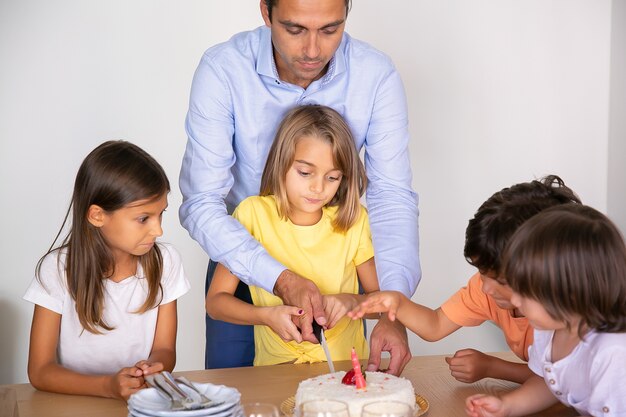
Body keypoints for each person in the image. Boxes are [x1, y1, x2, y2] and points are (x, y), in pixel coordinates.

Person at [179, 0, 419, 374]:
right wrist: (279, 279)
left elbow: (392, 196)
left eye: (329, 30)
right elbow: (201, 203)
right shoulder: (223, 69)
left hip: (336, 274)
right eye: (294, 29)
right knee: (234, 397)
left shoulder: (376, 74)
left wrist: (393, 309)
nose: (312, 51)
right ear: (265, 12)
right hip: (240, 256)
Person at [349, 176, 581, 383]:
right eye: (482, 272)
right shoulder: (486, 288)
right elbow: (435, 325)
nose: (487, 288)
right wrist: (396, 303)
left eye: (500, 280)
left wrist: (493, 367)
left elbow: (561, 385)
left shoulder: (571, 313)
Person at [205, 105, 378, 365]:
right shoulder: (252, 215)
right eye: (305, 173)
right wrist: (266, 316)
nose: (318, 187)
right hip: (275, 371)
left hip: (346, 372)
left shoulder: (354, 221)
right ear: (282, 162)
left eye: (332, 177)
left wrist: (351, 302)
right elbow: (216, 303)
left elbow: (385, 303)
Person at [23, 140, 190, 400]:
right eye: (144, 218)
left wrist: (153, 367)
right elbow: (40, 371)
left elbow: (165, 350)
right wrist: (108, 387)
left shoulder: (166, 262)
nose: (158, 230)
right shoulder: (56, 270)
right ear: (97, 215)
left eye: (161, 215)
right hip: (73, 406)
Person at [465, 204, 626, 417]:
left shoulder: (613, 354)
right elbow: (548, 383)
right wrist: (507, 405)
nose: (514, 299)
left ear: (570, 294)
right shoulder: (549, 331)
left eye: (525, 292)